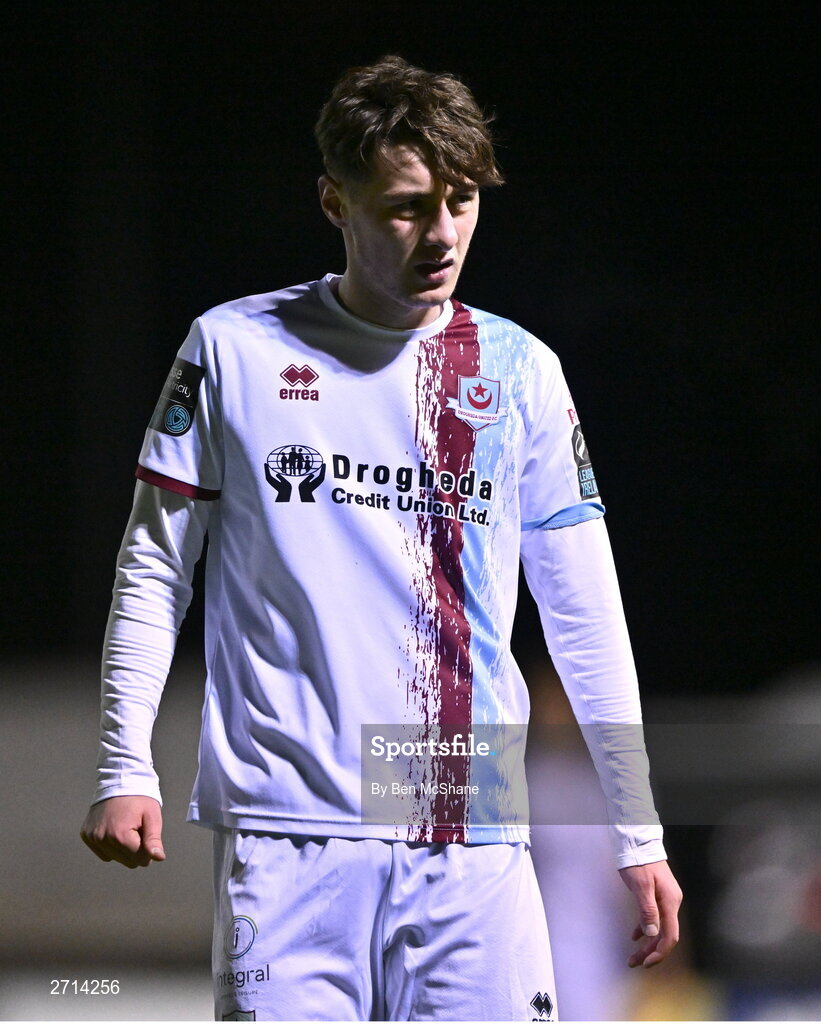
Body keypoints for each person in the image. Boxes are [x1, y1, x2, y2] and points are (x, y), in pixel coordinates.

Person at [80, 55, 682, 1022]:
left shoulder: (519, 372)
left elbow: (582, 608)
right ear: (335, 201)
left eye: (460, 201)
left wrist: (635, 827)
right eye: (406, 206)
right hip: (289, 832)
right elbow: (155, 568)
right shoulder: (235, 348)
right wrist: (124, 765)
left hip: (465, 823)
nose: (440, 234)